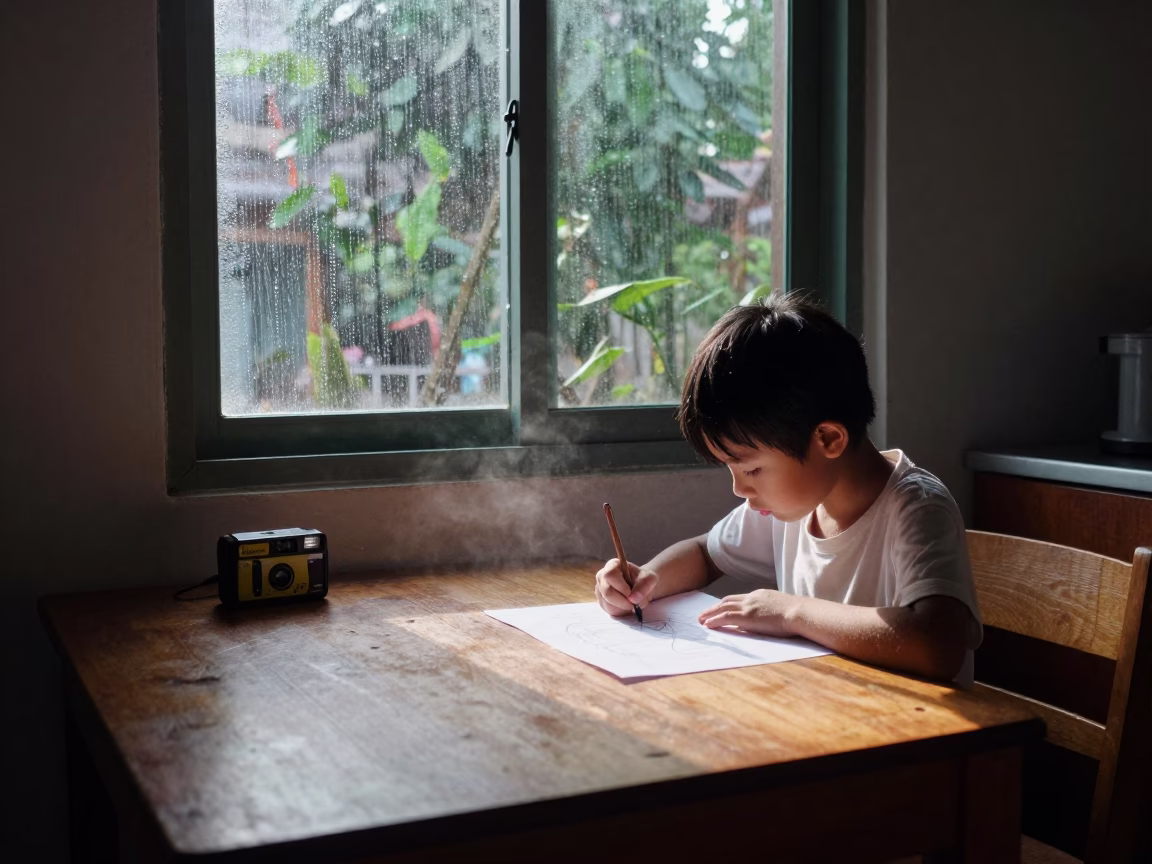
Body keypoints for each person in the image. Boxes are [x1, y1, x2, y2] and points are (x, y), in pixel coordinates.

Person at [595, 294, 982, 684]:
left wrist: (792, 613)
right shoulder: (797, 503)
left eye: (752, 468)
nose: (739, 488)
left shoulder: (916, 508)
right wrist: (645, 581)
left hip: (922, 733)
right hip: (827, 709)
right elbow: (704, 554)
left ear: (828, 439)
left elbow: (938, 644)